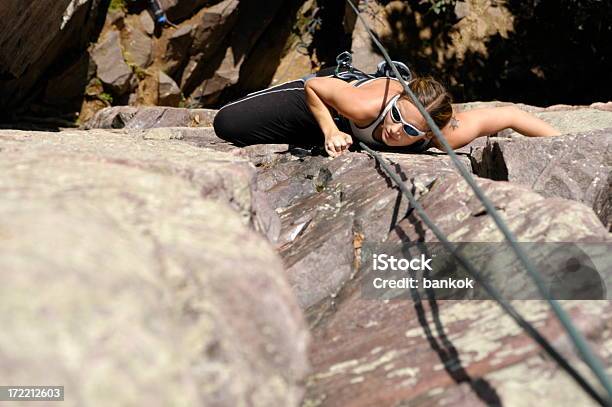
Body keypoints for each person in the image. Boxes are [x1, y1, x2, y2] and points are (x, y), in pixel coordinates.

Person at [213, 67, 560, 157]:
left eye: (410, 132)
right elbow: (315, 88)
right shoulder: (364, 105)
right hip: (327, 105)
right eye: (397, 117)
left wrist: (565, 143)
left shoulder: (446, 136)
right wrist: (331, 131)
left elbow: (511, 115)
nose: (396, 131)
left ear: (428, 136)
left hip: (344, 123)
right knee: (228, 124)